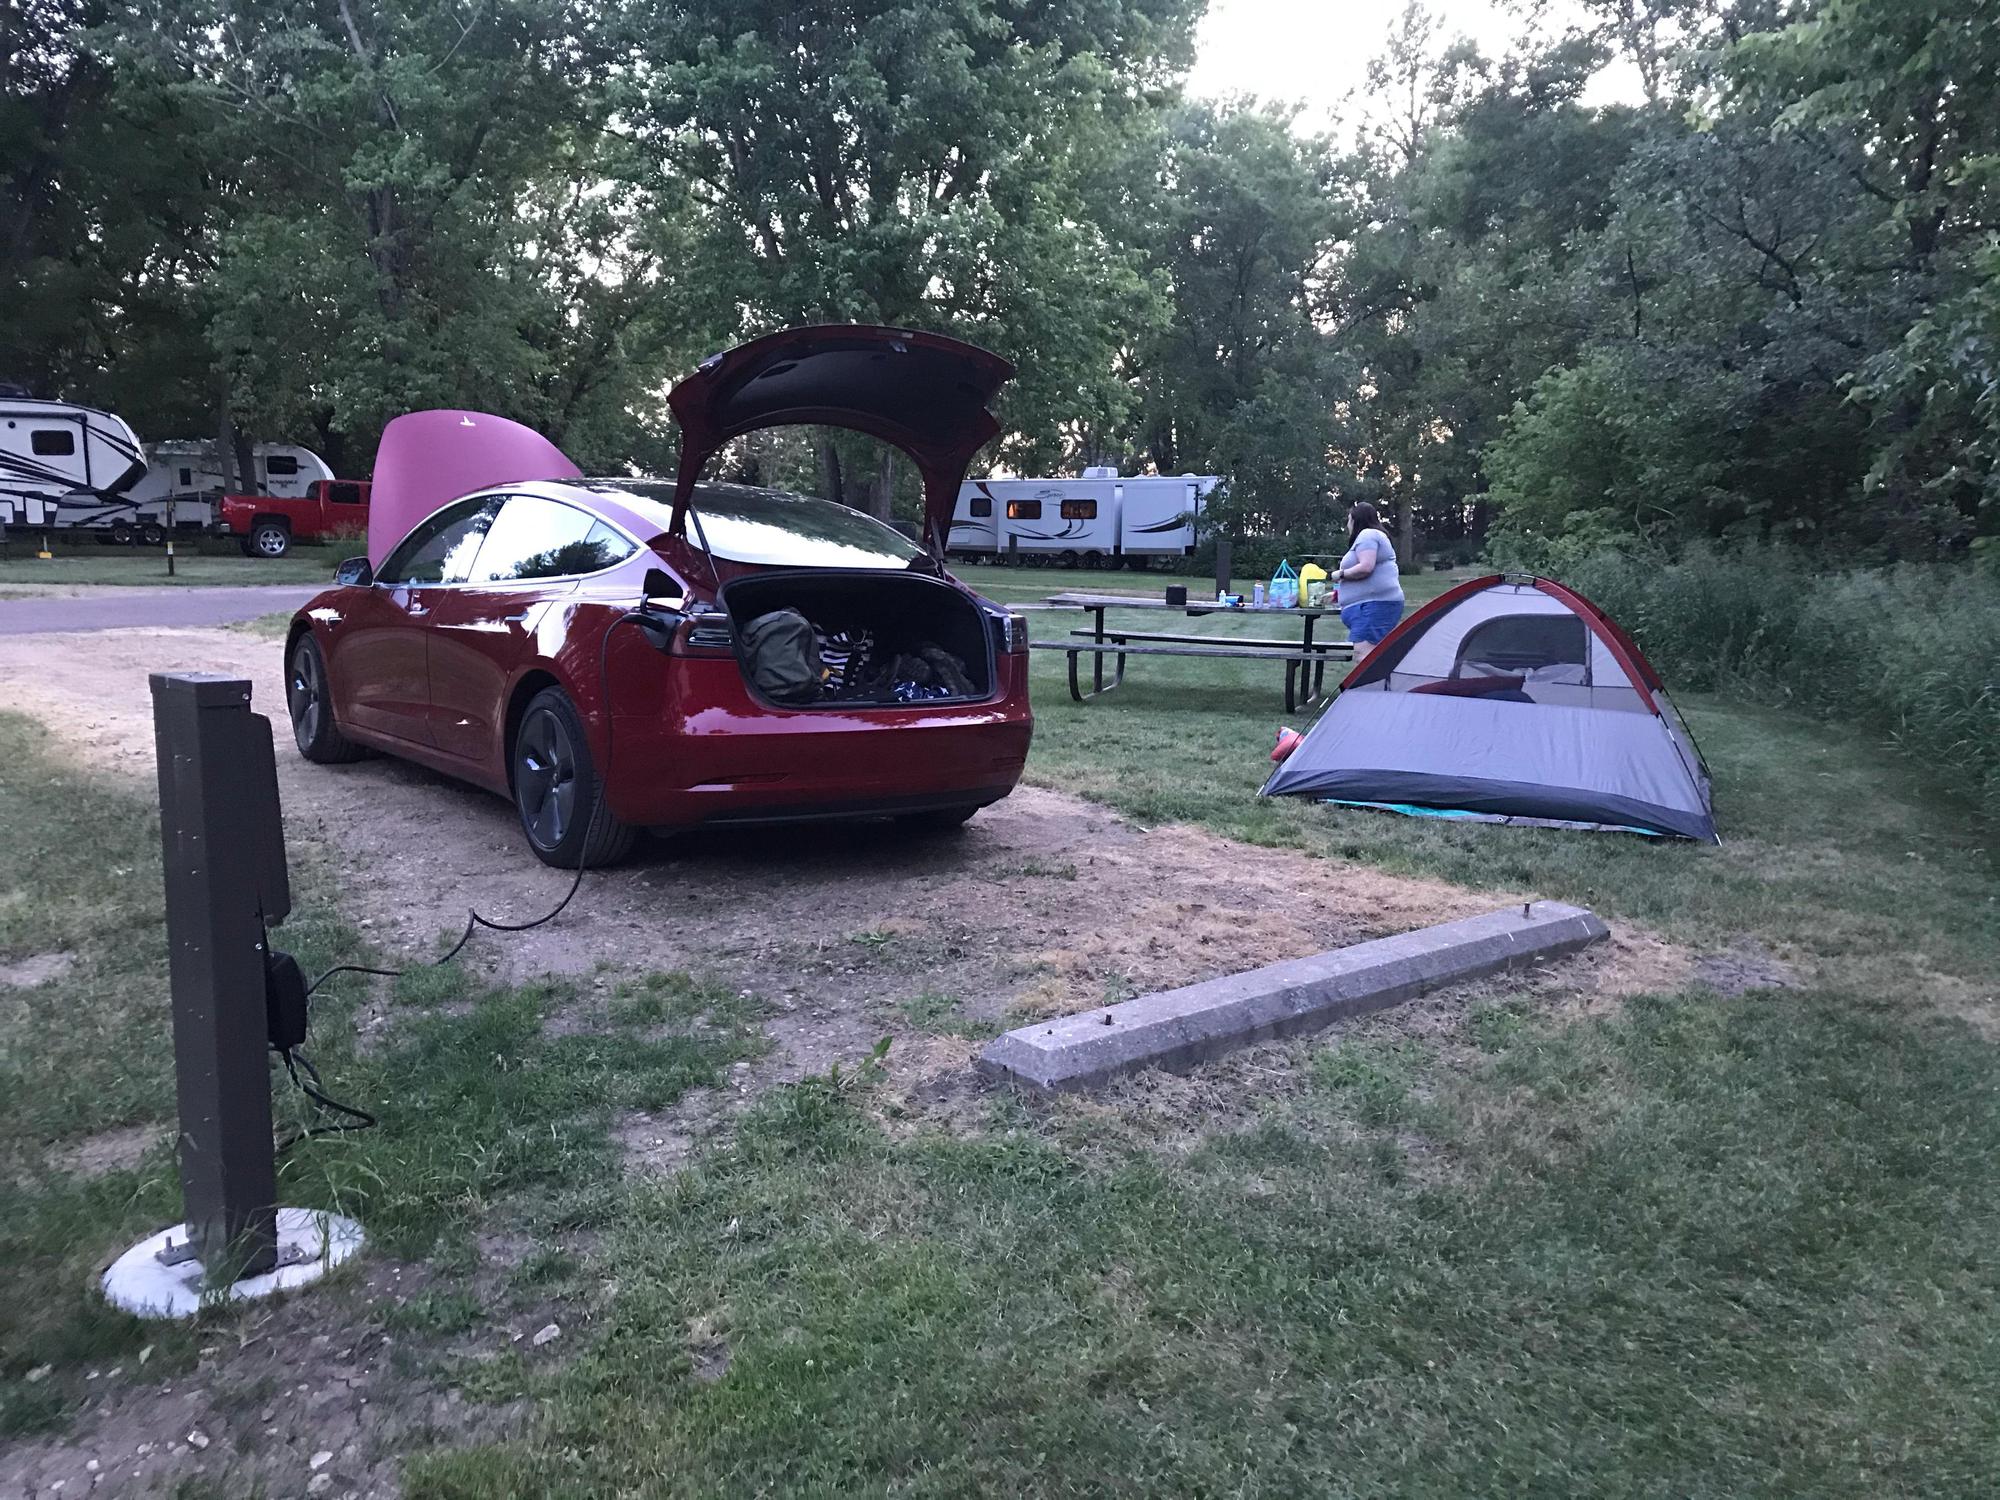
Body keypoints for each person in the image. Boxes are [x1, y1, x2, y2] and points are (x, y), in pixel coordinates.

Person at [1333, 502, 1404, 659]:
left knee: (1365, 657)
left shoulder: (1367, 535)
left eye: (1348, 520)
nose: (1347, 525)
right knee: (1371, 657)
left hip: (1373, 607)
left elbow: (1366, 567)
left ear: (1354, 520)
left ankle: (1369, 685)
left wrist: (1339, 574)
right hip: (1370, 606)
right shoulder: (1371, 536)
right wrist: (1338, 595)